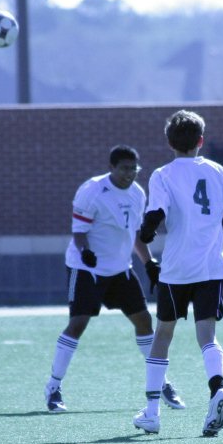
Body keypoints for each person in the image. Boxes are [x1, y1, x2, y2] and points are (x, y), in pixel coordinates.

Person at [43, 145, 185, 413]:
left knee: (144, 320)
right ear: (111, 167)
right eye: (124, 168)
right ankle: (53, 387)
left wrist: (149, 263)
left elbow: (134, 234)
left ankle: (161, 383)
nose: (129, 174)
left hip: (120, 269)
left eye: (134, 168)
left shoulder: (137, 194)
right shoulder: (92, 191)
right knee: (78, 323)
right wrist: (85, 253)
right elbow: (79, 232)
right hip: (87, 269)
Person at [132, 110, 223, 436]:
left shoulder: (162, 174)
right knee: (207, 337)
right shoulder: (217, 170)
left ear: (169, 142)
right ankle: (218, 389)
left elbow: (156, 212)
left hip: (178, 267)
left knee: (163, 336)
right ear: (201, 140)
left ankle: (152, 412)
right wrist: (207, 223)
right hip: (212, 266)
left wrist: (147, 232)